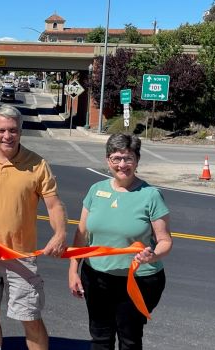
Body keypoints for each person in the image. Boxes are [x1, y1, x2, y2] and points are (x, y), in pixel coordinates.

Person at [0, 104, 67, 350]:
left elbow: (53, 204)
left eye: (13, 130)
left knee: (29, 317)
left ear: (20, 131)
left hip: (21, 256)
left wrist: (60, 233)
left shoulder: (37, 164)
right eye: (1, 131)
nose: (7, 136)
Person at [68, 133, 173, 350]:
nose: (122, 164)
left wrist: (151, 256)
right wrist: (73, 270)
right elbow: (81, 235)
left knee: (129, 339)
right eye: (116, 158)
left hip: (138, 281)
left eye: (128, 158)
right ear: (108, 160)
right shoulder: (96, 190)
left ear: (137, 161)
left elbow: (164, 241)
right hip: (96, 278)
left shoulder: (151, 195)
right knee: (100, 338)